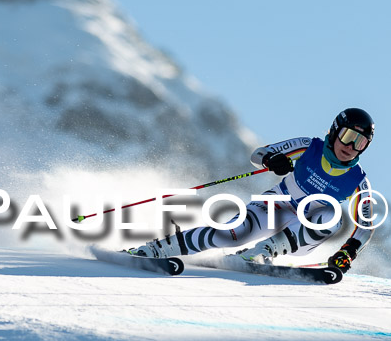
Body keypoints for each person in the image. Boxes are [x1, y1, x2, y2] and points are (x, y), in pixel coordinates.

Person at [130, 108, 375, 272]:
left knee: (332, 216)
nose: (351, 146)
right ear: (335, 131)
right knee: (232, 231)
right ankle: (155, 249)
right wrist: (271, 160)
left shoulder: (358, 180)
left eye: (360, 142)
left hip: (303, 232)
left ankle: (261, 253)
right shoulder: (309, 147)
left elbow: (366, 224)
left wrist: (348, 252)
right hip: (277, 205)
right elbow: (258, 154)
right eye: (348, 136)